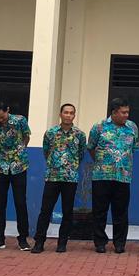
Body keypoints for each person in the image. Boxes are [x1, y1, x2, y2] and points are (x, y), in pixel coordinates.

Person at [33, 103, 87, 253]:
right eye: (66, 112)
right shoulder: (50, 133)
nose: (68, 115)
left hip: (70, 178)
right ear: (60, 114)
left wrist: (71, 167)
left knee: (67, 212)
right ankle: (39, 242)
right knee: (45, 210)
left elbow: (81, 154)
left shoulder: (80, 135)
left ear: (74, 115)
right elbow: (46, 151)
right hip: (52, 176)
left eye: (71, 113)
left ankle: (62, 243)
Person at [87, 97, 139, 254]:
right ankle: (100, 242)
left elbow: (133, 149)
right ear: (114, 112)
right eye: (123, 112)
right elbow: (91, 147)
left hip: (123, 177)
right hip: (101, 176)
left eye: (128, 112)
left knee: (121, 212)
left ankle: (119, 243)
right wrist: (102, 163)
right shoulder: (99, 127)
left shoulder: (132, 127)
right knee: (99, 211)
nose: (126, 115)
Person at [0, 105, 32, 251]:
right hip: (0, 167)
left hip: (19, 166)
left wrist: (19, 152)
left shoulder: (20, 121)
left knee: (20, 203)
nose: (0, 120)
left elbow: (26, 137)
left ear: (7, 110)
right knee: (0, 204)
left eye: (2, 117)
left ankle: (23, 239)